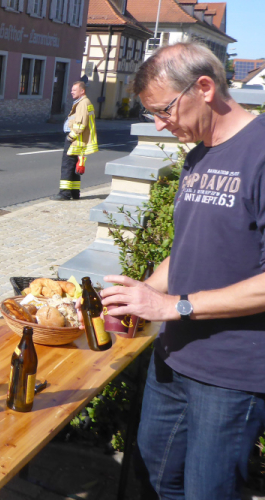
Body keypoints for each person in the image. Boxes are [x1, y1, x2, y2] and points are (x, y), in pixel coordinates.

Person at [101, 42, 265, 499]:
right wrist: (142, 293)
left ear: (205, 88)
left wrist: (175, 306)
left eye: (164, 109)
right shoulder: (197, 156)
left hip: (231, 373)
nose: (159, 124)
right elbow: (189, 249)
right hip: (173, 358)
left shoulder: (260, 153)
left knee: (207, 491)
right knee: (156, 478)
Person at [52, 81, 98, 201]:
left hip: (75, 139)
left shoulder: (83, 103)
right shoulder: (85, 102)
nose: (71, 92)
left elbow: (80, 124)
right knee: (74, 167)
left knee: (67, 166)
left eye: (74, 90)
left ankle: (64, 194)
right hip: (79, 140)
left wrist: (70, 137)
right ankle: (74, 193)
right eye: (71, 90)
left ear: (82, 91)